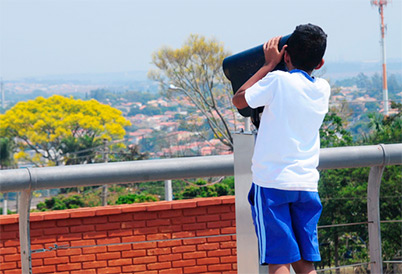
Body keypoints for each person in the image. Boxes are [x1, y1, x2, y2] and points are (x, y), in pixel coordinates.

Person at [232, 24, 330, 274]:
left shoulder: (276, 81)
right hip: (306, 185)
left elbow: (240, 100)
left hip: (272, 184)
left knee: (279, 259)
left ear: (285, 54)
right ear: (320, 63)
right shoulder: (322, 89)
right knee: (303, 262)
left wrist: (267, 65)